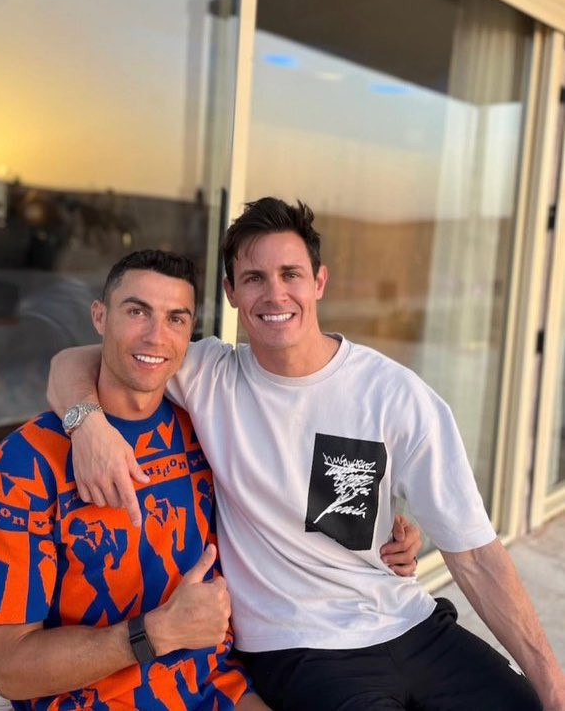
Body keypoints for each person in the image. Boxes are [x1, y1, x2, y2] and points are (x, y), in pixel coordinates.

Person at [48, 198, 565, 711]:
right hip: (298, 646)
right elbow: (74, 361)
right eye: (254, 278)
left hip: (409, 620)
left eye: (290, 274)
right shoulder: (208, 374)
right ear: (231, 292)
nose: (275, 294)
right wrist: (86, 424)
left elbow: (474, 555)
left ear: (319, 282)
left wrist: (552, 683)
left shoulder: (393, 395)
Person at [0, 250, 274, 710]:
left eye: (176, 319)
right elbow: (9, 668)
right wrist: (154, 634)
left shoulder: (204, 431)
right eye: (137, 311)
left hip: (215, 689)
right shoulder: (25, 464)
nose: (156, 336)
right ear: (100, 317)